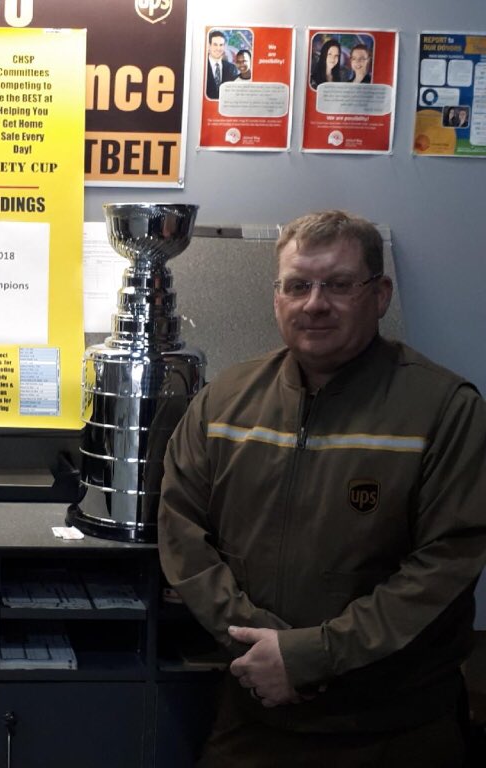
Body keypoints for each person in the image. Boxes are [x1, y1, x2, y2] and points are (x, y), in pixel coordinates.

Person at [159, 210, 486, 767]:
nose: (315, 304)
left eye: (338, 285)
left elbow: (443, 567)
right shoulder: (224, 402)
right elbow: (182, 532)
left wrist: (309, 657)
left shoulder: (445, 410)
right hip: (256, 718)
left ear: (380, 295)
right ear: (277, 298)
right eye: (298, 286)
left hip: (393, 729)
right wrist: (263, 650)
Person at [205, 29, 239, 99]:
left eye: (221, 45)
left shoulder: (232, 69)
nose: (218, 48)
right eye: (215, 45)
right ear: (209, 46)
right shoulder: (201, 67)